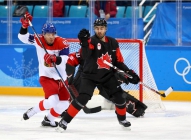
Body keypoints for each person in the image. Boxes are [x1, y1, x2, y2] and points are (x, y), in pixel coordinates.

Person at [58, 18, 140, 130]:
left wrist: (130, 73)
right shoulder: (90, 41)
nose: (99, 31)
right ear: (94, 29)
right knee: (83, 98)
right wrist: (84, 44)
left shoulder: (113, 42)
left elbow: (118, 62)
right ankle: (65, 121)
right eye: (97, 28)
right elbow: (85, 56)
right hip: (89, 76)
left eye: (101, 28)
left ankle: (122, 119)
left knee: (120, 98)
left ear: (106, 28)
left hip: (106, 76)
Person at [18, 12, 70, 127]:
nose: (51, 36)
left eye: (53, 34)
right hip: (46, 76)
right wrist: (24, 26)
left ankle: (48, 119)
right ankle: (33, 111)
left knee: (65, 104)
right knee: (53, 101)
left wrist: (55, 59)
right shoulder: (38, 40)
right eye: (48, 34)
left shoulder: (62, 42)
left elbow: (66, 58)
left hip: (61, 77)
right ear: (43, 34)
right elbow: (22, 37)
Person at [63, 49, 147, 118]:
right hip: (86, 72)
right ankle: (63, 108)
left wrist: (129, 74)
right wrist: (69, 76)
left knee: (111, 91)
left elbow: (119, 64)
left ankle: (137, 108)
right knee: (76, 89)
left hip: (103, 73)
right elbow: (71, 59)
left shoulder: (110, 51)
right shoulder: (86, 51)